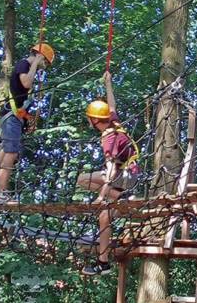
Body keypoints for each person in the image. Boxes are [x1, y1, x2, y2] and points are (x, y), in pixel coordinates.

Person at [78, 71, 140, 276]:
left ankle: (117, 196)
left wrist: (101, 195)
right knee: (103, 217)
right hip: (129, 176)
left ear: (95, 121)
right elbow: (112, 105)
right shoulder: (114, 122)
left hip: (124, 177)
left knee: (83, 179)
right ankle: (103, 263)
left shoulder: (109, 138)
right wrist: (108, 83)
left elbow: (111, 170)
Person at [0, 43, 55, 203]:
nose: (44, 67)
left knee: (4, 153)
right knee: (11, 153)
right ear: (40, 57)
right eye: (45, 63)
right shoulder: (24, 64)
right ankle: (2, 192)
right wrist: (36, 62)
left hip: (12, 116)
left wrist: (28, 119)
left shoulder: (27, 67)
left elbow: (17, 101)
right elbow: (26, 83)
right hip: (10, 118)